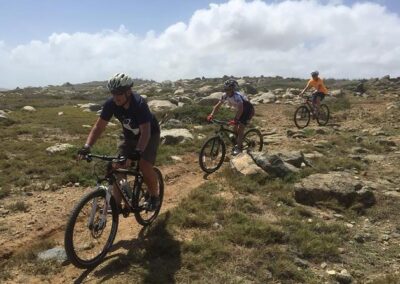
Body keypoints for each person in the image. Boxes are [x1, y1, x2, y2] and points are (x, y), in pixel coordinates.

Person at [78, 73, 161, 213]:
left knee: (144, 165)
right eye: (113, 93)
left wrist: (138, 152)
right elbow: (99, 127)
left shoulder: (139, 104)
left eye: (119, 93)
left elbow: (145, 132)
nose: (115, 96)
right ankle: (117, 204)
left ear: (128, 91)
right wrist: (87, 146)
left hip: (149, 134)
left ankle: (154, 196)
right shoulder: (111, 104)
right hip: (129, 136)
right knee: (116, 165)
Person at [207, 79, 255, 155]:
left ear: (233, 89)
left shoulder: (237, 96)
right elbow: (217, 106)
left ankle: (239, 148)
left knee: (240, 129)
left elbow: (241, 109)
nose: (226, 91)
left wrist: (236, 119)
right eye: (225, 89)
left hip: (248, 111)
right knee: (234, 128)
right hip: (240, 110)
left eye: (228, 89)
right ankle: (238, 140)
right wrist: (211, 115)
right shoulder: (224, 95)